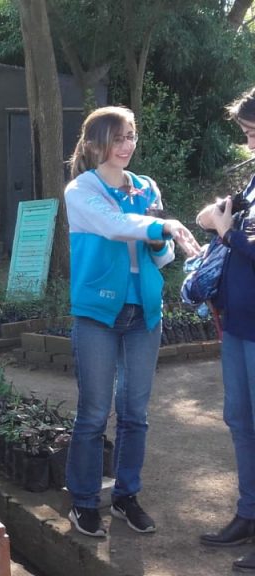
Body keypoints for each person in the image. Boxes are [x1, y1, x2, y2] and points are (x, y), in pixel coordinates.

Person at [62, 106, 199, 538]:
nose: (127, 146)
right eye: (117, 137)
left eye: (131, 136)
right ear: (93, 144)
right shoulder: (81, 190)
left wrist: (165, 241)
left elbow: (160, 254)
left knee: (136, 413)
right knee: (93, 413)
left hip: (145, 309)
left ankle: (125, 497)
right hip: (99, 312)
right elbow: (114, 226)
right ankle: (84, 502)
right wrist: (163, 224)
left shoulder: (146, 187)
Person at [195, 87, 255, 573]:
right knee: (240, 423)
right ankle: (248, 513)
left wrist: (227, 232)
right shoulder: (253, 183)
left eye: (254, 132)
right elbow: (212, 216)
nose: (249, 142)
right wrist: (217, 218)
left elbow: (233, 236)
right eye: (246, 134)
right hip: (236, 325)